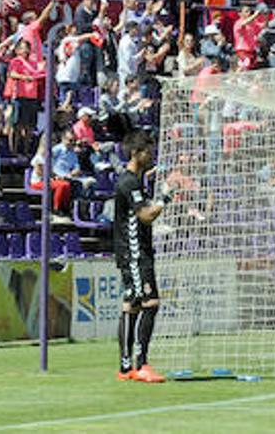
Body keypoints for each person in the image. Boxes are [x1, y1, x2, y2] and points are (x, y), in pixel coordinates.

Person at [114, 131, 171, 383]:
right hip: (136, 253)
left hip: (131, 252)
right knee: (150, 303)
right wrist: (163, 200)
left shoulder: (132, 180)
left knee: (132, 304)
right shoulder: (129, 183)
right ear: (136, 153)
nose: (152, 156)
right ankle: (141, 363)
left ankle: (126, 367)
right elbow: (146, 216)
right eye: (148, 151)